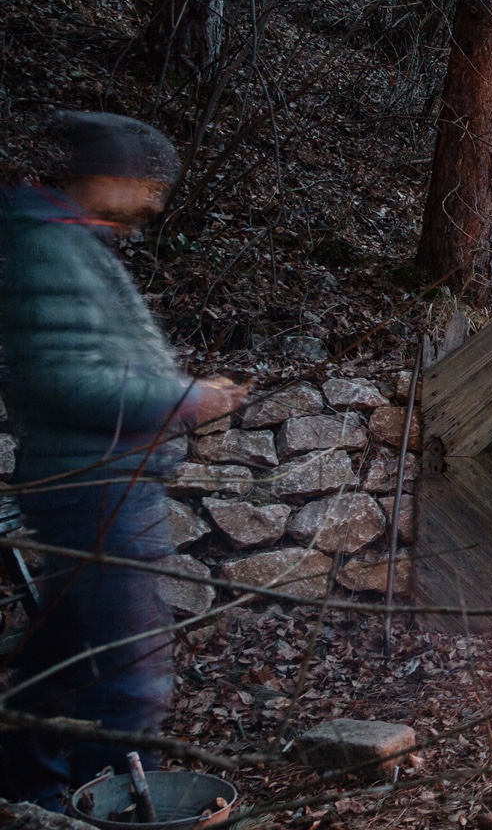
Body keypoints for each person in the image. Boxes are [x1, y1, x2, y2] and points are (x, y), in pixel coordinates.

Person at [0, 111, 244, 810]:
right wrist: (184, 397)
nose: (155, 202)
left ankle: (28, 798)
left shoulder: (68, 242)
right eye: (149, 186)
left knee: (57, 664)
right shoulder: (48, 246)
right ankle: (110, 809)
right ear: (108, 176)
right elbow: (60, 382)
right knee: (132, 681)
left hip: (100, 481)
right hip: (98, 485)